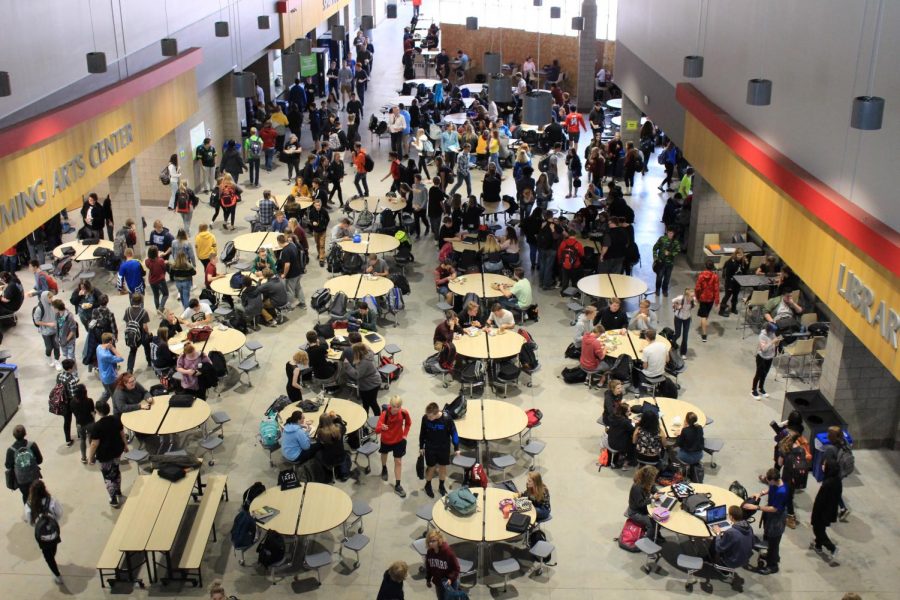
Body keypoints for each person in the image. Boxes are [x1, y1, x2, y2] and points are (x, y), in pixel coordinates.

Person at [742, 468, 789, 574]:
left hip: (777, 519)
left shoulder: (782, 491)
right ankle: (771, 555)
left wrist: (756, 507)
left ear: (774, 480)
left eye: (768, 480)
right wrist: (761, 493)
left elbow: (774, 509)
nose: (767, 482)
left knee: (773, 542)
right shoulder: (776, 483)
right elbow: (770, 489)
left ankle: (773, 566)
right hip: (771, 516)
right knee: (767, 537)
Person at [87, 400, 128, 507]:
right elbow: (122, 434)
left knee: (108, 476)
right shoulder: (116, 419)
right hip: (117, 450)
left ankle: (113, 499)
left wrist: (90, 457)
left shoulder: (97, 426)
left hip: (105, 455)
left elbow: (94, 444)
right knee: (116, 470)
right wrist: (125, 446)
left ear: (98, 411)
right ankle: (118, 491)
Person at [23, 480, 64, 584]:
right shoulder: (51, 501)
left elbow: (29, 521)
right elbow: (59, 513)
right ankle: (53, 562)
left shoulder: (29, 505)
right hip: (53, 531)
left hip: (41, 535)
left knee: (48, 556)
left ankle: (57, 575)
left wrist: (37, 525)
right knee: (53, 549)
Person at [419, 402, 460, 498]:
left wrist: (456, 447)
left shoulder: (447, 419)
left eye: (430, 416)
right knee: (431, 468)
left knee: (443, 467)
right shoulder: (425, 418)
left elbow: (454, 433)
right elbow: (422, 433)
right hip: (430, 447)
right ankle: (427, 485)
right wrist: (421, 446)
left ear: (436, 413)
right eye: (427, 416)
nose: (428, 418)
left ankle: (441, 486)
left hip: (443, 448)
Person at [375, 396, 412, 498]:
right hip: (386, 440)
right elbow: (376, 430)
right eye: (394, 406)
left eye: (398, 406)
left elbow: (408, 423)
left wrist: (404, 435)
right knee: (384, 454)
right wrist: (381, 427)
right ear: (390, 405)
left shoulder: (404, 413)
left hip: (398, 441)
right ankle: (384, 468)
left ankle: (398, 485)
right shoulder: (384, 414)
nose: (396, 409)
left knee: (398, 462)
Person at [810, 461, 842, 566]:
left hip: (822, 512)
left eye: (824, 465)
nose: (822, 466)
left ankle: (832, 548)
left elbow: (820, 501)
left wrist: (814, 514)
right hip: (830, 511)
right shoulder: (837, 480)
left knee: (818, 530)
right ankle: (818, 546)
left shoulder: (827, 484)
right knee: (821, 528)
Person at [6, 424, 44, 504]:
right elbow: (40, 460)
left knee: (26, 495)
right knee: (37, 494)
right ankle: (40, 510)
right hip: (34, 476)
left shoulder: (11, 450)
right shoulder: (32, 445)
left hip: (21, 479)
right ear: (25, 433)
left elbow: (8, 465)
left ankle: (29, 512)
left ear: (14, 436)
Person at [343, 342, 382, 416]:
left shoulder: (364, 362)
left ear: (357, 353)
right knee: (366, 402)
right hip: (372, 382)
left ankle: (377, 419)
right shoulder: (367, 354)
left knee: (372, 402)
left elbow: (356, 375)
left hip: (371, 385)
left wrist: (347, 365)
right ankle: (365, 416)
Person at [627, 466, 663, 541]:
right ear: (648, 478)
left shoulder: (648, 482)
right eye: (653, 477)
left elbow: (653, 489)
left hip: (644, 508)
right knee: (652, 524)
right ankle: (646, 541)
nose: (654, 479)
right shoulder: (637, 487)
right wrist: (653, 498)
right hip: (635, 512)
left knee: (659, 517)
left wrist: (659, 493)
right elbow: (640, 504)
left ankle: (656, 534)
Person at [424, 530, 461, 600]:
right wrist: (428, 579)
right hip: (438, 583)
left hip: (450, 584)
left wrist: (450, 579)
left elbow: (456, 568)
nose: (430, 543)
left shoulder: (448, 552)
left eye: (433, 541)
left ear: (439, 540)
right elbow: (428, 567)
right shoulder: (429, 552)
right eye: (429, 541)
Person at [317, 412, 352, 480]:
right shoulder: (338, 428)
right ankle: (344, 474)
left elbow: (319, 442)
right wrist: (337, 418)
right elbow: (344, 428)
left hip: (328, 458)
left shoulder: (320, 432)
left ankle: (327, 471)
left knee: (317, 453)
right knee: (346, 454)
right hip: (340, 455)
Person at [122, 293, 151, 373]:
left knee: (132, 351)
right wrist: (148, 333)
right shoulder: (143, 312)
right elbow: (145, 326)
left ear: (132, 300)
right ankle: (149, 362)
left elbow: (127, 323)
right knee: (147, 348)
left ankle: (129, 369)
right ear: (141, 301)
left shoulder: (127, 310)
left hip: (132, 335)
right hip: (142, 334)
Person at [752, 323, 781, 399]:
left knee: (765, 374)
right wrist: (772, 342)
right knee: (758, 374)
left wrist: (777, 342)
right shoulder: (762, 336)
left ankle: (761, 388)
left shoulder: (772, 333)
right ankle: (753, 390)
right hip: (762, 357)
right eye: (771, 331)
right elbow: (764, 349)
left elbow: (774, 343)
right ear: (768, 330)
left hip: (770, 357)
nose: (772, 333)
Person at [55, 358, 79, 445]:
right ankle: (79, 434)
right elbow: (73, 395)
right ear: (70, 368)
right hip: (71, 402)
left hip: (63, 402)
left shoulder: (59, 376)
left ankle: (68, 439)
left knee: (67, 421)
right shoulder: (72, 380)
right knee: (78, 417)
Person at [694, 260, 720, 342]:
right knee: (705, 315)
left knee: (703, 316)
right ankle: (703, 326)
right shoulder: (715, 276)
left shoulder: (701, 276)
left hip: (703, 298)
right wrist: (717, 301)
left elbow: (697, 288)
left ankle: (704, 335)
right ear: (712, 267)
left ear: (705, 266)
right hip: (711, 299)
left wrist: (697, 297)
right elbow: (716, 289)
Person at [34, 289, 60, 369]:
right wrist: (48, 324)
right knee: (49, 347)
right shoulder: (39, 309)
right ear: (45, 298)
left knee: (56, 346)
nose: (51, 299)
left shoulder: (53, 305)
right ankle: (48, 357)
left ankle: (57, 361)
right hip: (45, 332)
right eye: (50, 298)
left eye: (52, 297)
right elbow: (37, 321)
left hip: (55, 330)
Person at [719, 248, 749, 316]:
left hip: (738, 282)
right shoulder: (730, 262)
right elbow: (728, 274)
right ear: (736, 254)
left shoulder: (742, 261)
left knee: (735, 296)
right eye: (738, 255)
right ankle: (721, 310)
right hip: (730, 282)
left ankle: (733, 308)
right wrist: (729, 286)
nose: (740, 256)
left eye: (741, 255)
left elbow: (744, 271)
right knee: (727, 296)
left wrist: (746, 264)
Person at [70, 384, 95, 464]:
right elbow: (92, 413)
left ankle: (84, 458)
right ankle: (92, 457)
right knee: (91, 439)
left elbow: (74, 413)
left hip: (79, 424)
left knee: (82, 440)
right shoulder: (89, 401)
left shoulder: (72, 402)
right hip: (90, 422)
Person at [652, 229, 681, 297]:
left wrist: (670, 253)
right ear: (667, 232)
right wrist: (655, 258)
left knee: (667, 278)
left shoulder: (675, 242)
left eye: (672, 233)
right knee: (659, 277)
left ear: (674, 233)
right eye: (669, 233)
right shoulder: (662, 239)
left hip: (669, 264)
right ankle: (657, 290)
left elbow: (678, 251)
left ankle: (665, 290)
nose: (670, 234)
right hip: (661, 263)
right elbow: (655, 248)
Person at [96, 332, 123, 402]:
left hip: (103, 375)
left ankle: (99, 405)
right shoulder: (106, 355)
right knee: (115, 395)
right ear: (110, 341)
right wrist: (113, 348)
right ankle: (117, 409)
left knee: (107, 392)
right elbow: (120, 358)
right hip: (109, 378)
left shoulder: (99, 347)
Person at [51, 299, 78, 368]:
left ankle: (74, 373)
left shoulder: (69, 316)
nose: (53, 309)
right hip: (61, 340)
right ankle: (69, 371)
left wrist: (66, 340)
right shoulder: (57, 315)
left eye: (53, 307)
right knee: (65, 356)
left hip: (69, 341)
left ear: (57, 308)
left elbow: (73, 330)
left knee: (71, 357)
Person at [671, 288, 695, 358]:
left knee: (685, 336)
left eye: (693, 296)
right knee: (678, 334)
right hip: (678, 318)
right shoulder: (680, 298)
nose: (693, 298)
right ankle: (672, 342)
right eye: (691, 296)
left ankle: (683, 353)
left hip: (687, 319)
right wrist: (677, 306)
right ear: (686, 296)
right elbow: (672, 301)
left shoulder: (693, 300)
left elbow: (693, 305)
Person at [144, 246, 169, 313]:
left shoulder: (147, 262)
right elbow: (164, 268)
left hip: (152, 280)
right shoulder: (160, 261)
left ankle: (157, 308)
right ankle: (161, 308)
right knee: (166, 294)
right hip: (160, 280)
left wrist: (158, 256)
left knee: (156, 295)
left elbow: (148, 260)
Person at [307, 199, 330, 267]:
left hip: (323, 231)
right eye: (317, 205)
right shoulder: (311, 211)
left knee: (322, 245)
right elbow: (310, 219)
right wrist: (312, 222)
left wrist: (324, 226)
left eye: (319, 205)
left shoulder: (324, 211)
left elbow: (328, 219)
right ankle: (320, 253)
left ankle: (321, 259)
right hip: (315, 231)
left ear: (321, 205)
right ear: (314, 205)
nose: (318, 207)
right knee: (318, 244)